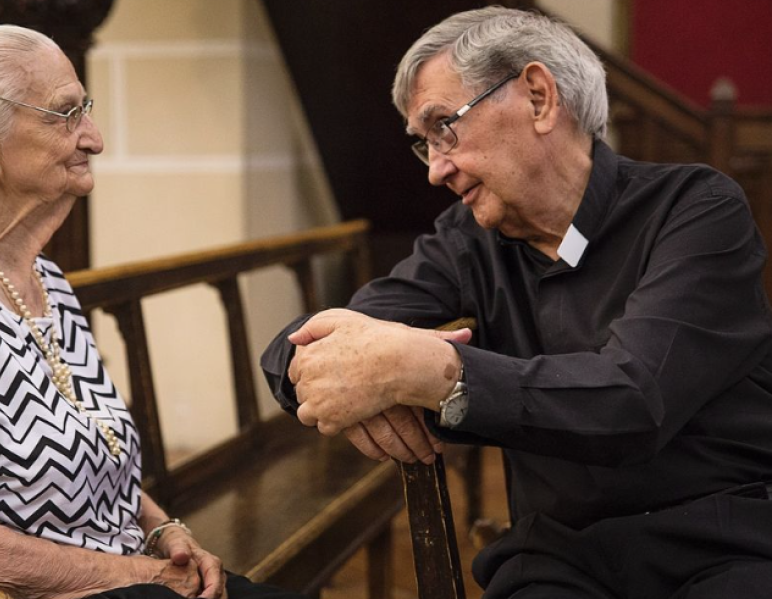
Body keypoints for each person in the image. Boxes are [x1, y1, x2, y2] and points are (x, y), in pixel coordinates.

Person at [262, 6, 772, 598]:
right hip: (560, 557)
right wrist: (347, 373)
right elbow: (295, 345)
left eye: (444, 128)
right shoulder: (464, 240)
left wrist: (436, 375)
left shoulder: (697, 207)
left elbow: (634, 402)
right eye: (424, 145)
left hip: (718, 543)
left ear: (536, 97)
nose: (436, 170)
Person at [0, 25, 303, 599]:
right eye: (64, 114)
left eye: (87, 108)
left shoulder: (43, 278)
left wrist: (164, 533)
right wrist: (143, 573)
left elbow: (99, 449)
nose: (95, 138)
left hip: (112, 572)